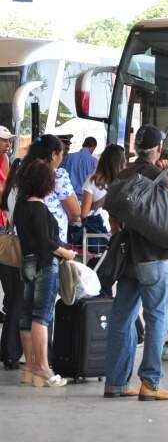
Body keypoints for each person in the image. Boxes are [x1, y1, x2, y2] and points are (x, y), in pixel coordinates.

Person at [103, 125, 168, 401]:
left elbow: (112, 213)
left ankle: (116, 382)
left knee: (121, 318)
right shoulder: (159, 176)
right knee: (157, 316)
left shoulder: (124, 173)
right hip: (152, 256)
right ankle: (151, 382)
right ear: (158, 149)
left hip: (127, 257)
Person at [15, 160, 76, 387]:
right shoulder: (39, 207)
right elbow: (46, 241)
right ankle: (42, 367)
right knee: (42, 315)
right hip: (45, 263)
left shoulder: (21, 206)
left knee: (27, 314)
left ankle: (29, 366)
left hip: (27, 262)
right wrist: (66, 253)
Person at [19, 135, 81, 245]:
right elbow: (75, 212)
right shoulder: (57, 175)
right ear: (53, 155)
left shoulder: (20, 171)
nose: (62, 158)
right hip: (51, 243)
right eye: (61, 154)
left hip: (23, 239)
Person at [0, 158, 22, 370]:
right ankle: (11, 351)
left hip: (7, 252)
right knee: (18, 300)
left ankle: (8, 350)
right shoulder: (22, 193)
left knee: (13, 299)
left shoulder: (9, 192)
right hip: (20, 251)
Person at [80, 144, 126, 237]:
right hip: (120, 234)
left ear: (103, 160)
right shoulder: (127, 182)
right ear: (122, 162)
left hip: (98, 234)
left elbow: (84, 214)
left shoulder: (92, 181)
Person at [61, 136, 98, 200]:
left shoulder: (68, 157)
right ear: (93, 147)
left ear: (83, 145)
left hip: (68, 195)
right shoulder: (94, 161)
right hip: (85, 197)